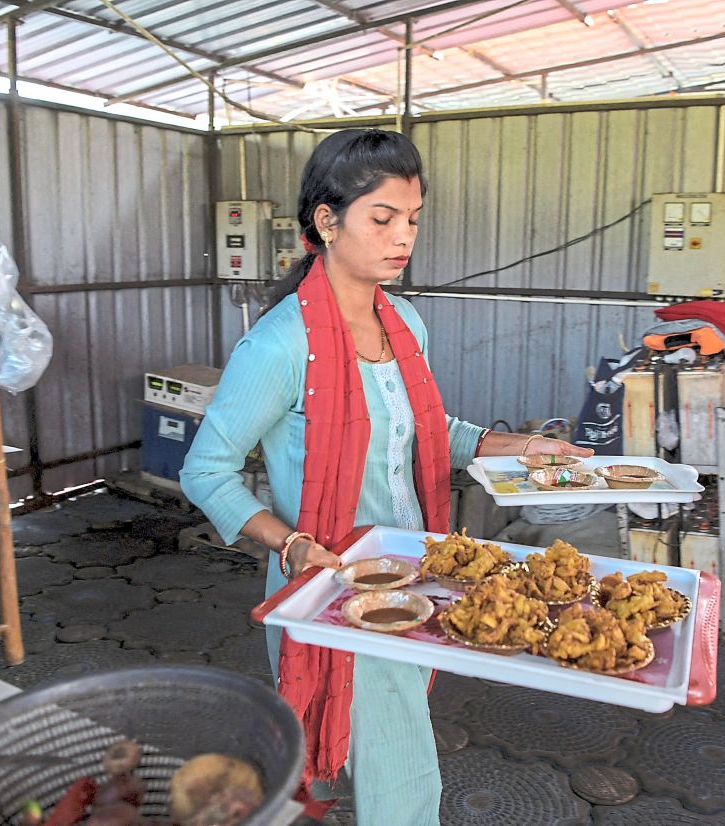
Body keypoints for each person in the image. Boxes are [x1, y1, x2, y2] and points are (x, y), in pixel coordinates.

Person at [180, 128, 591, 825]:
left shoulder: (404, 322)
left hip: (413, 575)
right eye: (383, 219)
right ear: (327, 221)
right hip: (335, 589)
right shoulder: (281, 345)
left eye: (413, 221)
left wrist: (522, 446)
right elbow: (206, 471)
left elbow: (428, 434)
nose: (404, 237)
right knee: (400, 775)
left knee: (380, 755)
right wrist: (291, 544)